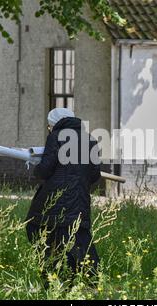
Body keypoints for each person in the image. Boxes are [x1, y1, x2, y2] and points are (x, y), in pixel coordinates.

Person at [25, 108, 101, 275]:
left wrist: (36, 166)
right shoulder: (90, 140)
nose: (49, 129)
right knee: (78, 235)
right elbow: (95, 174)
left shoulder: (56, 137)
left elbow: (45, 170)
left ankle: (54, 275)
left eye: (49, 126)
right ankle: (90, 278)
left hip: (55, 199)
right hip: (80, 199)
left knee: (36, 228)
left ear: (54, 124)